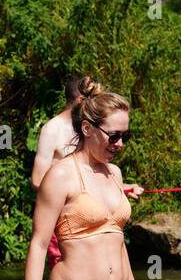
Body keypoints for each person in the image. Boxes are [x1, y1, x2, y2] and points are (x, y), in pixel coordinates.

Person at [21, 79, 152, 280]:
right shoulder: (61, 175)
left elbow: (117, 241)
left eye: (126, 136)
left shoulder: (114, 174)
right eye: (114, 136)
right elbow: (39, 245)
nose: (120, 144)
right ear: (88, 128)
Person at [32, 75, 144, 266]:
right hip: (66, 218)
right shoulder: (52, 129)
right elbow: (37, 180)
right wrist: (63, 191)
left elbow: (93, 178)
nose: (119, 143)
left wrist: (122, 188)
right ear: (80, 101)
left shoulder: (107, 146)